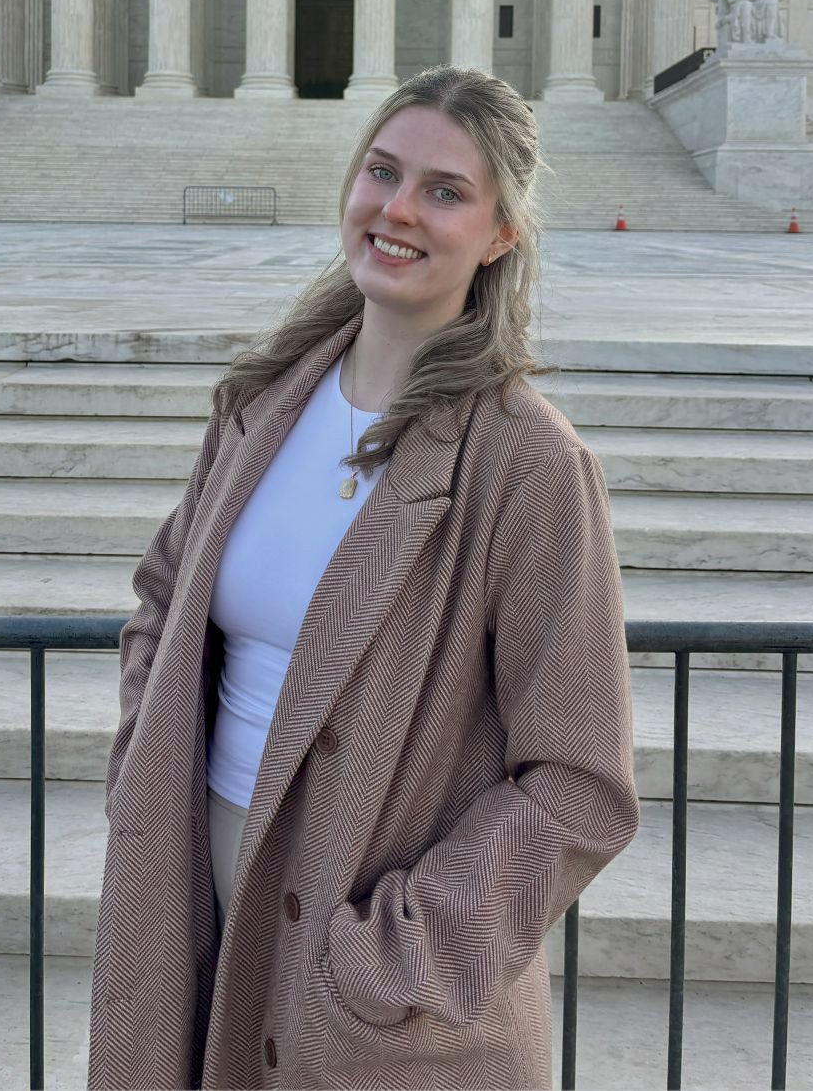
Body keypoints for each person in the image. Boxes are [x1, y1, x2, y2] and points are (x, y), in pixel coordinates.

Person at [88, 64, 639, 1091]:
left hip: (368, 934)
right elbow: (163, 600)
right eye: (381, 171)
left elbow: (579, 782)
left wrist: (402, 952)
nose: (396, 209)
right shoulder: (261, 402)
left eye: (443, 190)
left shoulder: (528, 466)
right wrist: (143, 768)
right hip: (193, 877)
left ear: (499, 233)